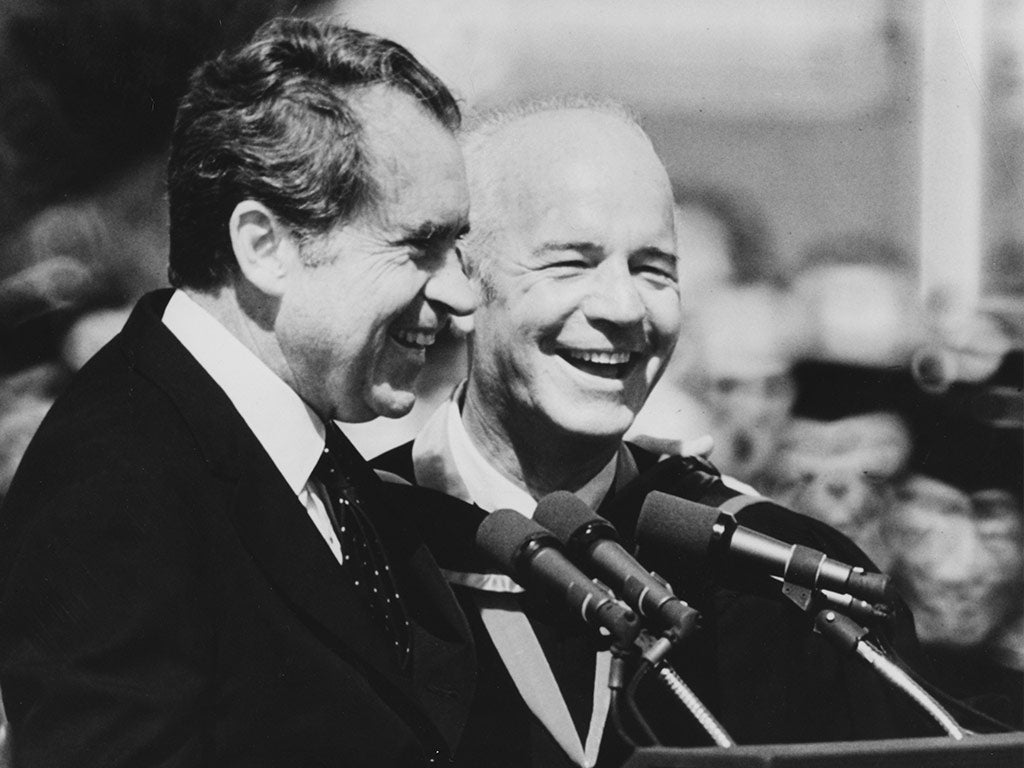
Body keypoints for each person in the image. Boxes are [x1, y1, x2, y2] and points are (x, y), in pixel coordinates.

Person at [372, 101, 972, 768]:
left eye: (654, 269)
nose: (625, 308)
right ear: (462, 279)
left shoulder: (781, 584)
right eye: (572, 263)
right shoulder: (360, 546)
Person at [0, 18, 479, 768]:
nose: (459, 294)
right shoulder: (119, 483)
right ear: (265, 246)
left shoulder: (304, 455)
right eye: (420, 245)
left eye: (460, 249)